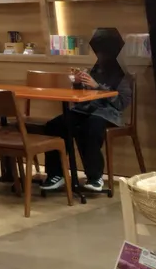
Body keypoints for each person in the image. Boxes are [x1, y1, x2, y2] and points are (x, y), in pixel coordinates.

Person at [40, 27, 133, 195]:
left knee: (90, 127)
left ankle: (95, 177)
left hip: (107, 113)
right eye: (99, 52)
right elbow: (81, 95)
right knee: (54, 125)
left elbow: (121, 103)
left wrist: (97, 86)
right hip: (84, 110)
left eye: (104, 52)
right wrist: (77, 83)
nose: (101, 56)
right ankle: (56, 174)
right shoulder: (95, 69)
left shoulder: (123, 74)